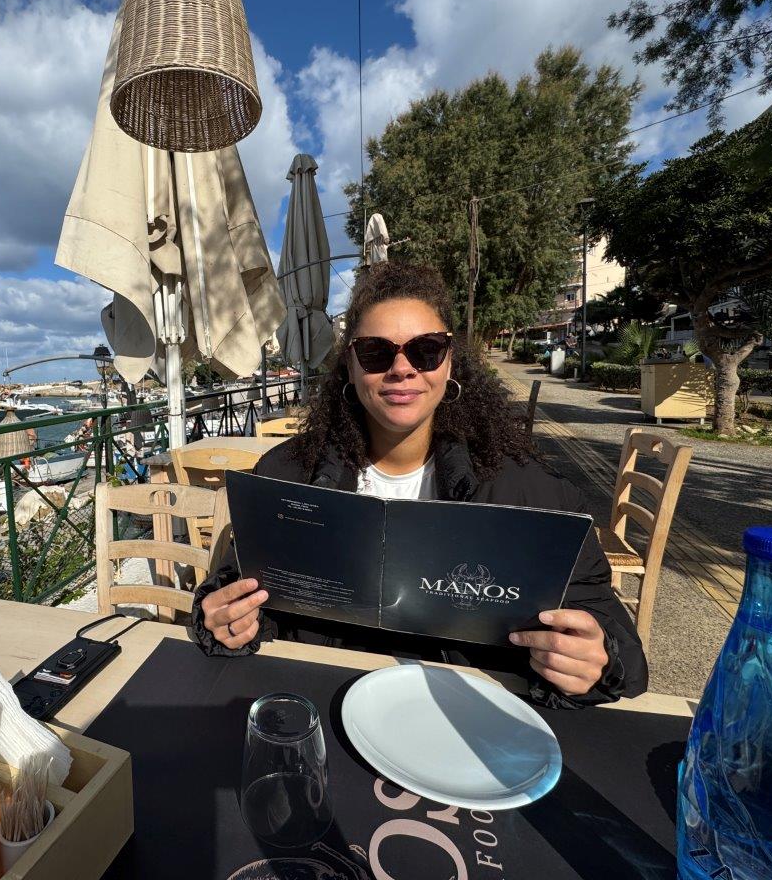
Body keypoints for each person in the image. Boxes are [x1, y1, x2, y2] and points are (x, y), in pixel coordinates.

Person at [192, 263, 648, 709]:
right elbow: (238, 583)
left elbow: (610, 633)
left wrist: (597, 658)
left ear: (449, 363)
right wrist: (227, 619)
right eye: (376, 352)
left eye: (425, 350)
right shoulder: (286, 474)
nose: (402, 368)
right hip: (322, 702)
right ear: (350, 366)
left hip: (469, 716)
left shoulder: (532, 491)